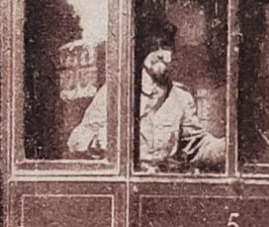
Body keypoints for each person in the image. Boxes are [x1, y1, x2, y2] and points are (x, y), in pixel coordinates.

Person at [67, 22, 226, 172]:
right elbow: (75, 141)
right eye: (153, 47)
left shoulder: (181, 98)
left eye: (165, 46)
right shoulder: (114, 93)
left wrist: (228, 147)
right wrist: (98, 140)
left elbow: (198, 146)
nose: (160, 54)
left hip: (162, 188)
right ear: (142, 51)